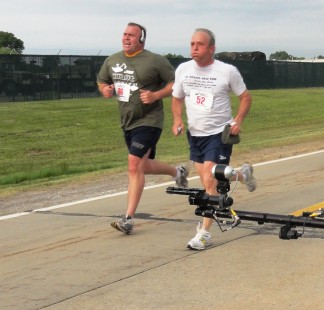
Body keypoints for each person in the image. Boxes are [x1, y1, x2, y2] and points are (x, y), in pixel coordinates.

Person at [97, 22, 189, 235]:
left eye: (131, 35)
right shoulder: (113, 60)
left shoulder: (155, 60)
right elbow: (102, 81)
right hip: (127, 121)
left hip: (150, 120)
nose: (126, 38)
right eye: (124, 34)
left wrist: (156, 95)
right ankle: (178, 172)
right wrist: (105, 89)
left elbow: (175, 83)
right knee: (141, 165)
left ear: (141, 39)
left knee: (133, 164)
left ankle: (128, 219)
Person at [171, 28, 256, 251]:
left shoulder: (227, 71)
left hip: (219, 133)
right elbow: (177, 98)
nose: (194, 48)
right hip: (195, 134)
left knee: (210, 178)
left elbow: (245, 97)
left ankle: (205, 232)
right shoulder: (183, 70)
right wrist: (177, 119)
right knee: (210, 180)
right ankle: (242, 174)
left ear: (211, 48)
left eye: (199, 44)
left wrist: (238, 119)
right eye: (191, 44)